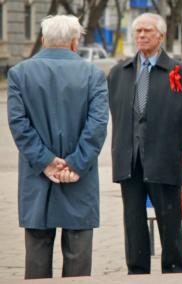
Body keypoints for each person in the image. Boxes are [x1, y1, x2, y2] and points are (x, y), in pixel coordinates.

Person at [7, 15, 109, 279]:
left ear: (43, 40)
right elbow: (97, 125)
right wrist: (75, 162)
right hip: (80, 175)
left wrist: (46, 161)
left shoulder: (19, 74)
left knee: (37, 251)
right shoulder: (93, 75)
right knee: (78, 253)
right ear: (75, 43)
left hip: (37, 175)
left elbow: (19, 124)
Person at [108, 13, 182, 274]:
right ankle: (137, 273)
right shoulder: (119, 73)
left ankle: (173, 272)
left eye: (148, 31)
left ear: (161, 36)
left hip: (163, 159)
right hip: (129, 161)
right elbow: (118, 113)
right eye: (137, 31)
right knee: (133, 222)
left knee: (170, 223)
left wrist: (167, 143)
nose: (142, 36)